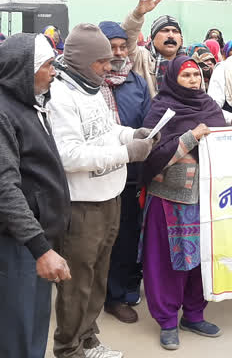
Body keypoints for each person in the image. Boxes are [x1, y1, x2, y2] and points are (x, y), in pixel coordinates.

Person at [48, 24, 157, 358]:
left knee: (97, 278)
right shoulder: (60, 95)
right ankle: (68, 349)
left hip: (110, 196)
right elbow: (69, 155)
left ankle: (88, 338)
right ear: (82, 60)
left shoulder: (92, 87)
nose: (110, 67)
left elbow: (106, 129)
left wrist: (131, 134)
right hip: (82, 206)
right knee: (77, 283)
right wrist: (127, 153)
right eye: (102, 61)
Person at [0, 34, 71, 358]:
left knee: (30, 334)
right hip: (11, 244)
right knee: (15, 340)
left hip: (28, 240)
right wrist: (40, 249)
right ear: (24, 70)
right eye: (48, 65)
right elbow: (3, 188)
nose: (54, 71)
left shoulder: (27, 104)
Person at [140, 57, 226, 350]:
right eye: (186, 75)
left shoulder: (210, 106)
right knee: (167, 263)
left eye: (196, 74)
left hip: (207, 198)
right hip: (169, 199)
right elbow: (151, 153)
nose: (193, 79)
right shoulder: (161, 109)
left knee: (201, 260)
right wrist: (191, 137)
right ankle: (167, 321)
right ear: (173, 78)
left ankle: (194, 314)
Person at [97, 21, 153, 324]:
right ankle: (91, 296)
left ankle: (115, 297)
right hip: (93, 174)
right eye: (111, 47)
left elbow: (146, 124)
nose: (118, 53)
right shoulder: (88, 84)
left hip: (129, 176)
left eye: (122, 46)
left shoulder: (137, 83)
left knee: (125, 239)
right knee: (93, 240)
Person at [121, 0, 176, 97]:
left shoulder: (189, 64)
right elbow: (126, 41)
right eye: (165, 30)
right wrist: (137, 15)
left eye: (175, 31)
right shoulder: (140, 57)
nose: (171, 35)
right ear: (152, 38)